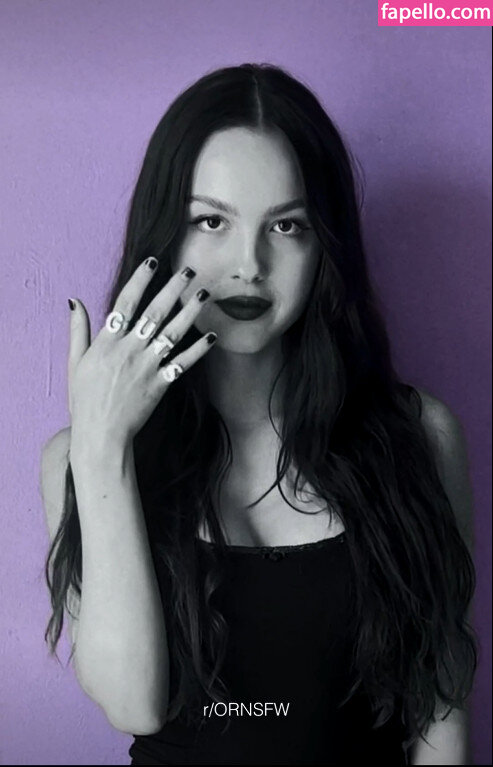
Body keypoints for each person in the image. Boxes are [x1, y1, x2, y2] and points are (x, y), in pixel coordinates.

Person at [40, 63, 478, 766]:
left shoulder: (419, 437)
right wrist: (102, 446)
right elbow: (133, 705)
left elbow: (440, 710)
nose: (249, 263)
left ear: (324, 243)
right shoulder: (79, 457)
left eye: (287, 225)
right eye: (211, 221)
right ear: (166, 235)